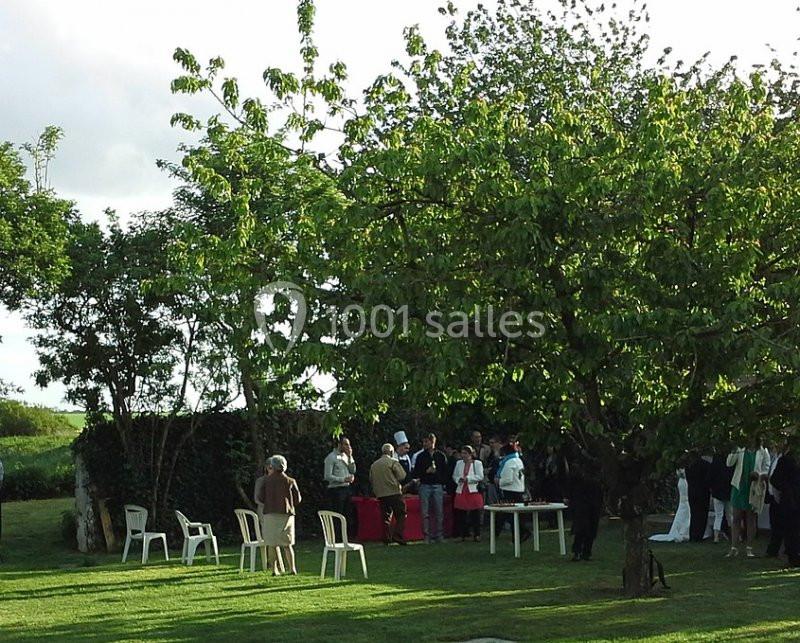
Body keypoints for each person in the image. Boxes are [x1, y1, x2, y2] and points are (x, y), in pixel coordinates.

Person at [726, 435, 770, 558]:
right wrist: (734, 449)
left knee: (751, 518)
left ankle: (749, 548)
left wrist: (759, 474)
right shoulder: (740, 450)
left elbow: (767, 467)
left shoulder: (763, 451)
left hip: (753, 488)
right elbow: (729, 463)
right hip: (739, 486)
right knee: (736, 517)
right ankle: (734, 547)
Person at [257, 454, 301, 576]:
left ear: (272, 466)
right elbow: (298, 499)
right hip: (286, 515)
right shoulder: (290, 481)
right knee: (288, 544)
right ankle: (292, 568)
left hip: (270, 514)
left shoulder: (266, 481)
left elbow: (260, 497)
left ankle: (274, 570)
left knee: (272, 544)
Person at [769, 435, 800, 567]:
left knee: (791, 529)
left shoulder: (785, 460)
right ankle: (793, 555)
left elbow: (774, 479)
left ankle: (793, 555)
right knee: (792, 529)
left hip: (790, 498)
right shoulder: (787, 460)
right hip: (791, 498)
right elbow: (774, 479)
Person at [412, 432, 449, 543]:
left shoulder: (441, 456)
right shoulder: (420, 456)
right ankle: (426, 536)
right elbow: (416, 473)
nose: (424, 444)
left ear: (433, 442)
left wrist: (441, 481)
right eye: (423, 442)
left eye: (426, 441)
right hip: (425, 485)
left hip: (437, 485)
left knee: (439, 512)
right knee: (425, 512)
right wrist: (425, 472)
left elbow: (446, 471)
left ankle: (439, 535)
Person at [370, 443, 408, 545]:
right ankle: (397, 535)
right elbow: (402, 476)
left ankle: (386, 538)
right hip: (394, 492)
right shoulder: (392, 462)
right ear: (391, 452)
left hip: (381, 494)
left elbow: (371, 479)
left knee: (385, 517)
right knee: (401, 514)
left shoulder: (374, 465)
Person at [568, 451, 603, 561]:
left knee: (591, 526)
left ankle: (586, 551)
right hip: (582, 499)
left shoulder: (597, 467)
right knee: (582, 527)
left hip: (592, 498)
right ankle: (578, 551)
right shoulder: (579, 467)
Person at [495, 444, 531, 541]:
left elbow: (508, 479)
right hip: (519, 489)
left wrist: (499, 481)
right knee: (515, 515)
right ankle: (516, 537)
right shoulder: (518, 460)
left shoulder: (509, 462)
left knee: (510, 515)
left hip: (510, 491)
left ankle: (523, 532)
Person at [324, 436, 356, 538]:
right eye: (346, 444)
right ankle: (337, 536)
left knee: (348, 513)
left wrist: (350, 457)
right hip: (336, 490)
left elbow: (353, 470)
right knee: (338, 514)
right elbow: (327, 476)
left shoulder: (347, 456)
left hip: (347, 488)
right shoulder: (331, 457)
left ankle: (347, 535)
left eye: (349, 444)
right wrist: (343, 479)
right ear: (339, 445)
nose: (348, 447)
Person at [452, 445, 485, 541]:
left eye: (465, 453)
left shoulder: (477, 463)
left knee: (475, 513)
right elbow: (454, 475)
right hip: (461, 489)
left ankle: (477, 534)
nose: (463, 455)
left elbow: (480, 476)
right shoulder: (459, 463)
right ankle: (462, 534)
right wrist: (459, 479)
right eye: (462, 453)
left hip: (473, 489)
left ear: (470, 454)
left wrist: (469, 479)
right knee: (461, 513)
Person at [649, 469, 690, 543]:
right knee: (685, 504)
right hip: (684, 482)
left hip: (683, 482)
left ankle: (683, 529)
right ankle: (684, 531)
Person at [765, 439, 786, 557]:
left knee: (779, 524)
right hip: (773, 495)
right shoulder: (774, 458)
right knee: (774, 524)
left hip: (779, 496)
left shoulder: (782, 460)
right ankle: (772, 549)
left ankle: (775, 549)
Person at [685, 450, 712, 542]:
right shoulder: (706, 465)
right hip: (703, 492)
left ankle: (693, 535)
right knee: (702, 514)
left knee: (694, 514)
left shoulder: (688, 466)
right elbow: (708, 480)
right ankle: (699, 535)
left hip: (692, 492)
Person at [709, 449, 733, 543]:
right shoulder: (730, 464)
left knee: (718, 515)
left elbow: (710, 477)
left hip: (717, 492)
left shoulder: (715, 463)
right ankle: (734, 534)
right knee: (730, 515)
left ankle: (716, 537)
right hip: (728, 492)